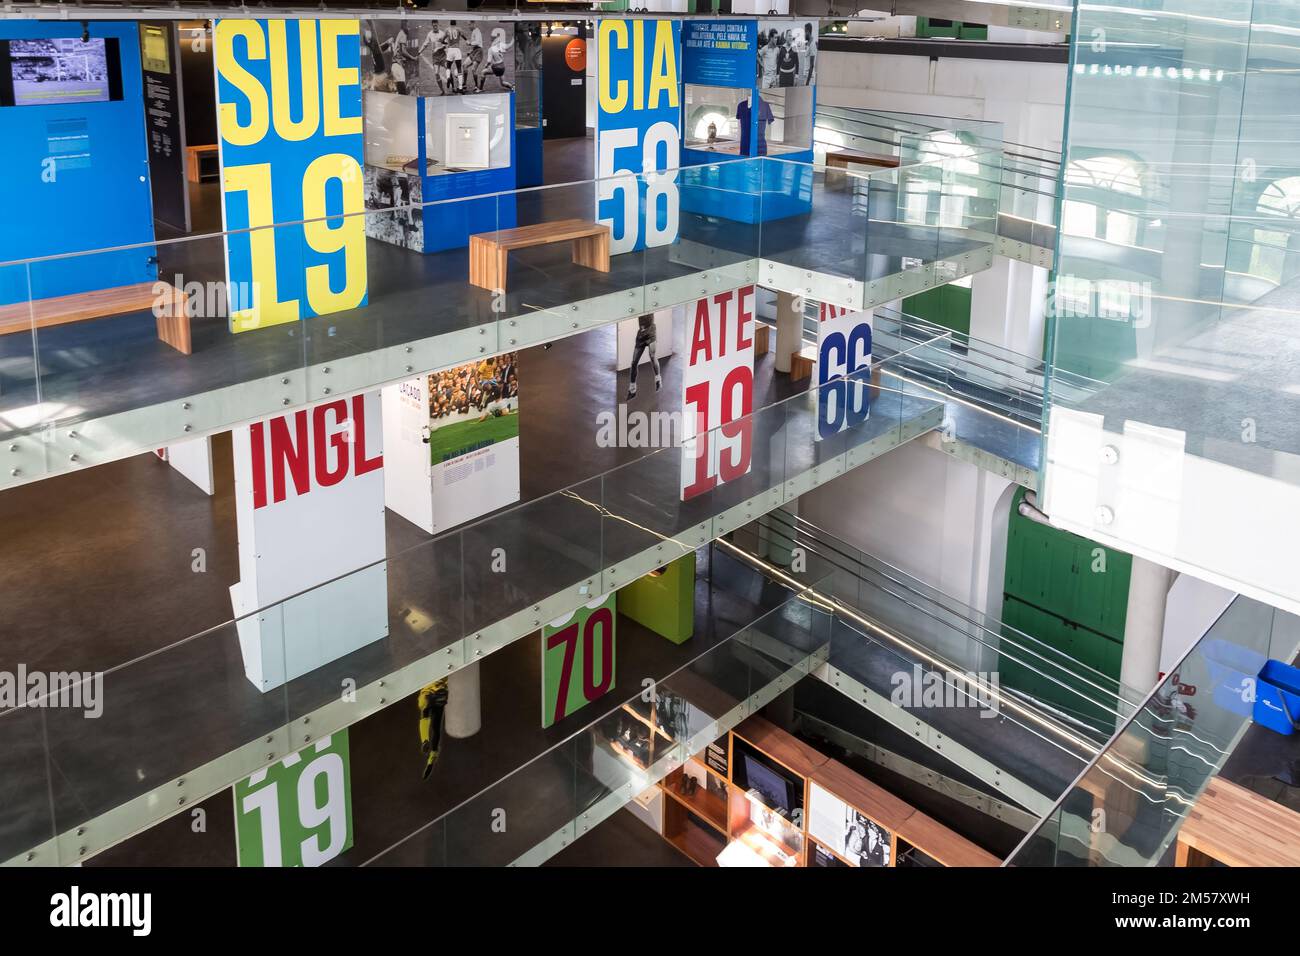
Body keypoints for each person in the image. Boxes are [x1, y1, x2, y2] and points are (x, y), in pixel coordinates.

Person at [627, 314, 662, 399]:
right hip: (641, 334)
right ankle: (632, 389)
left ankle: (658, 379)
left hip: (651, 331)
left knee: (652, 355)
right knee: (634, 363)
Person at [483, 27, 514, 92]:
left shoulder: (491, 49)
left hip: (496, 67)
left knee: (483, 72)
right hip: (502, 66)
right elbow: (509, 45)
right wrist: (513, 39)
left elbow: (489, 61)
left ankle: (479, 89)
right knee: (503, 83)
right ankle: (512, 87)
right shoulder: (501, 45)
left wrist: (486, 65)